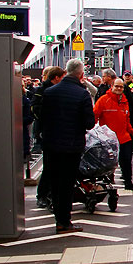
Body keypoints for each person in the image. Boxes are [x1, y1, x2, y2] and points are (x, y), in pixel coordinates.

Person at [41, 58, 95, 233]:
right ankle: (65, 221)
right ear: (80, 74)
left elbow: (42, 119)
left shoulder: (49, 92)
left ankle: (59, 219)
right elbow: (89, 123)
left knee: (55, 183)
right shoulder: (82, 94)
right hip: (72, 146)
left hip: (51, 145)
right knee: (66, 184)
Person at [94, 78, 133, 190]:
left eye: (121, 87)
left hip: (124, 137)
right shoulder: (103, 100)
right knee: (107, 163)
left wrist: (131, 130)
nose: (119, 89)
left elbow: (126, 119)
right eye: (117, 86)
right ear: (112, 86)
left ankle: (128, 182)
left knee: (127, 160)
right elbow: (94, 116)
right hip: (108, 140)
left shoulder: (124, 101)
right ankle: (105, 185)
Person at [33, 66, 66, 209]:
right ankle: (42, 195)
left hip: (57, 132)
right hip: (49, 133)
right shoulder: (43, 90)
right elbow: (35, 109)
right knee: (49, 166)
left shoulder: (56, 90)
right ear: (57, 78)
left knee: (56, 166)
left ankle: (52, 193)